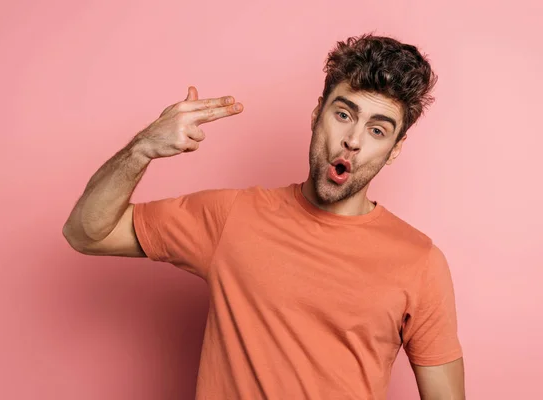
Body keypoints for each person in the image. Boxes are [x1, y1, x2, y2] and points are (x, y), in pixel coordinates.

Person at [63, 33, 465, 399]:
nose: (353, 140)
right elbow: (86, 233)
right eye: (343, 114)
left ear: (395, 149)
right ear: (316, 114)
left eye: (378, 130)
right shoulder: (231, 217)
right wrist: (141, 149)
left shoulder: (420, 262)